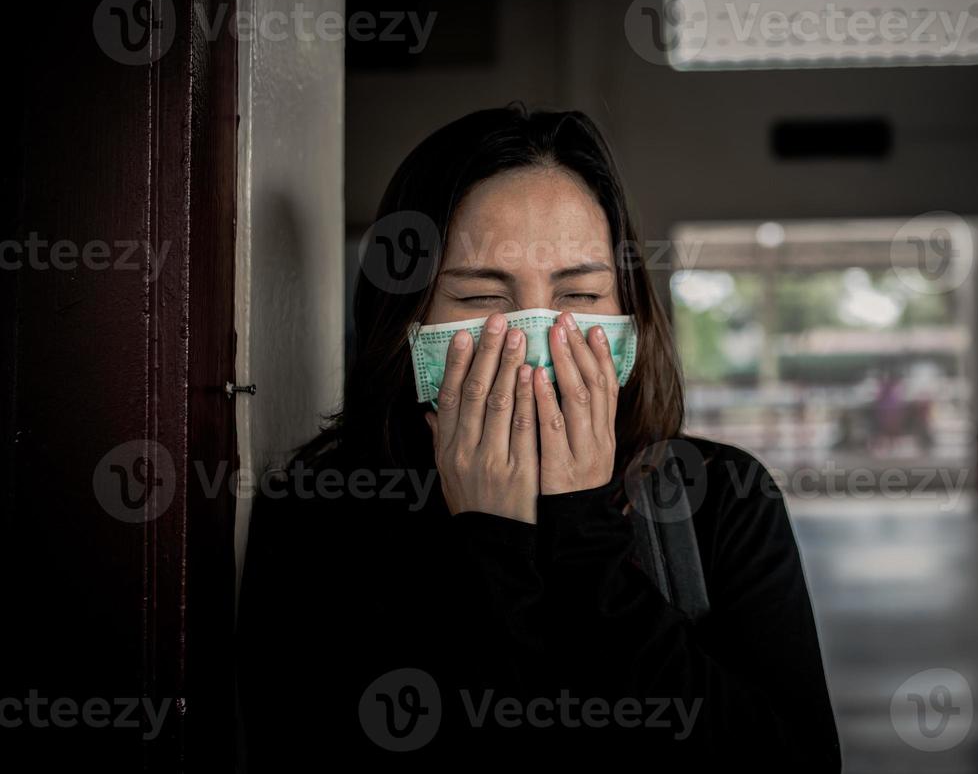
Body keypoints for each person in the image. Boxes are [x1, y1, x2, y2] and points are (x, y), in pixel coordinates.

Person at [237, 105, 841, 771]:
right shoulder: (319, 517)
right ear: (403, 320)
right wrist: (492, 541)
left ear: (628, 310)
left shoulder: (720, 496)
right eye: (480, 299)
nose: (534, 337)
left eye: (579, 294)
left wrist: (582, 536)